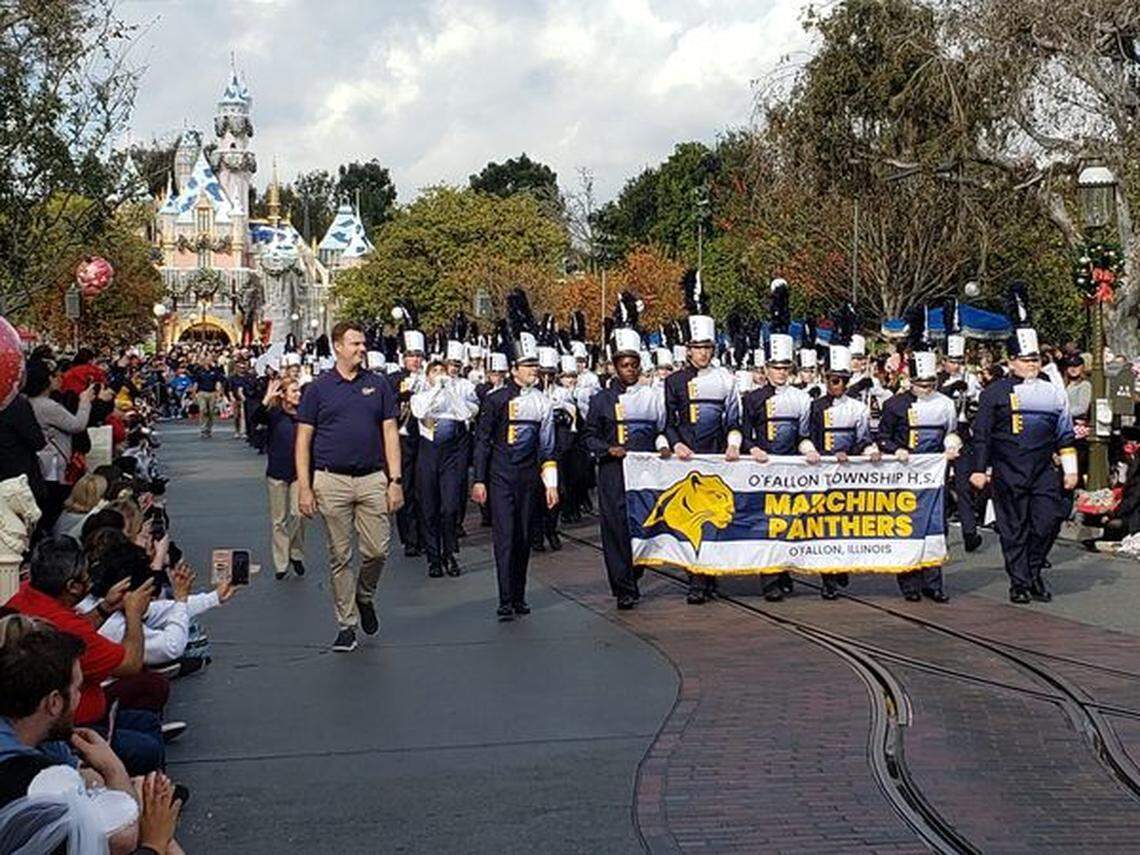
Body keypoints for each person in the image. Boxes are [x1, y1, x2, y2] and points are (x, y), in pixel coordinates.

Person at [5, 536, 164, 774]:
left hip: (75, 709)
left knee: (147, 721)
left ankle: (153, 787)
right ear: (72, 586)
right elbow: (131, 663)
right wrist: (133, 613)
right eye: (86, 576)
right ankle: (141, 792)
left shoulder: (28, 593)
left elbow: (75, 631)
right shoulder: (63, 626)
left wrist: (104, 609)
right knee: (146, 747)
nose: (91, 581)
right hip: (71, 724)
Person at [295, 322, 404, 652]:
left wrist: (395, 480)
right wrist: (304, 487)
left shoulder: (378, 385)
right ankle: (346, 624)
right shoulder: (318, 389)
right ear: (337, 347)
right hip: (331, 479)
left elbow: (389, 432)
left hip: (372, 478)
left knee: (378, 550)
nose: (361, 348)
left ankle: (364, 595)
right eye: (355, 343)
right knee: (340, 555)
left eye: (363, 343)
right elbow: (303, 440)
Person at [970, 283, 1078, 604]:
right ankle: (1020, 581)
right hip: (1008, 469)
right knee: (1013, 528)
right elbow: (982, 434)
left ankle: (1032, 570)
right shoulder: (995, 393)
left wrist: (1070, 469)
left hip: (1044, 468)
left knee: (1047, 521)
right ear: (1012, 361)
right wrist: (979, 469)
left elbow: (1065, 432)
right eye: (1025, 360)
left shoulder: (1053, 391)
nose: (1031, 365)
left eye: (1035, 360)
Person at [0, 615, 143, 853]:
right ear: (54, 702)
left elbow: (84, 778)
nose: (79, 698)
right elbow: (123, 837)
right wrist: (113, 769)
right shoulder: (28, 775)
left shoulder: (36, 738)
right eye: (78, 689)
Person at [471, 290, 559, 621]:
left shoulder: (542, 402)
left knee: (523, 537)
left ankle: (520, 595)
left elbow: (548, 448)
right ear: (514, 369)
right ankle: (505, 598)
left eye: (535, 364)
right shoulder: (495, 400)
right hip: (500, 476)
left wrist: (551, 484)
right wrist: (479, 479)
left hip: (528, 478)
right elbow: (482, 440)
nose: (534, 370)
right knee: (505, 538)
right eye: (528, 365)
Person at [583, 305, 669, 610]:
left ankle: (635, 570)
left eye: (634, 365)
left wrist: (662, 446)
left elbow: (662, 429)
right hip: (614, 473)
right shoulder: (600, 400)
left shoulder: (652, 397)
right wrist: (608, 449)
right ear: (614, 366)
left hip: (646, 473)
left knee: (645, 524)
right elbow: (589, 437)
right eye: (624, 365)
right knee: (616, 528)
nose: (629, 370)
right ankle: (623, 588)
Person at [663, 273, 742, 604]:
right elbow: (667, 422)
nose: (703, 353)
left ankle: (709, 575)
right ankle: (696, 579)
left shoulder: (726, 379)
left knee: (715, 520)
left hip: (717, 456)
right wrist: (676, 443)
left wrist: (734, 443)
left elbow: (736, 420)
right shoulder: (674, 381)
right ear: (688, 349)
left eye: (707, 347)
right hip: (687, 458)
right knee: (691, 521)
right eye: (697, 347)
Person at [739, 279, 817, 602]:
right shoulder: (753, 399)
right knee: (766, 525)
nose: (781, 372)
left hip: (791, 469)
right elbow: (743, 433)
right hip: (763, 468)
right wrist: (752, 448)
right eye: (776, 367)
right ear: (766, 367)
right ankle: (769, 581)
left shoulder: (802, 399)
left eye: (786, 367)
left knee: (790, 524)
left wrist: (809, 450)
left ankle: (784, 573)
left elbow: (803, 435)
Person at [875, 312, 958, 603]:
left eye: (931, 383)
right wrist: (894, 449)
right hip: (905, 474)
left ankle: (934, 582)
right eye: (922, 384)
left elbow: (954, 432)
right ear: (911, 381)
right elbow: (882, 436)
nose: (927, 388)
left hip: (935, 476)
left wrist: (952, 444)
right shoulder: (895, 405)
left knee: (937, 527)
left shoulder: (946, 404)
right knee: (907, 525)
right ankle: (909, 583)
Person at [807, 313, 881, 599]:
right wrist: (818, 453)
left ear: (847, 381)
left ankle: (840, 569)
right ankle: (828, 579)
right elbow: (808, 438)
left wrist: (870, 451)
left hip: (849, 472)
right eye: (830, 379)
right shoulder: (814, 407)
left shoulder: (858, 409)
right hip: (822, 472)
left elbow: (863, 438)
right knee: (824, 525)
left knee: (845, 524)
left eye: (839, 380)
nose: (834, 384)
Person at [410, 356, 479, 578]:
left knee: (449, 508)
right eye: (434, 371)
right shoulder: (420, 397)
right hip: (428, 456)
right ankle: (434, 558)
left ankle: (449, 553)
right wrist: (435, 389)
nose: (439, 374)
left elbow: (465, 414)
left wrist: (448, 390)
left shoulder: (457, 398)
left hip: (451, 457)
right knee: (429, 508)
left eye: (442, 371)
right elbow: (420, 412)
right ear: (427, 376)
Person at [254, 377, 306, 580]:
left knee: (299, 515)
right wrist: (267, 398)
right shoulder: (274, 414)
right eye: (294, 391)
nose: (298, 394)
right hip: (277, 471)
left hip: (299, 473)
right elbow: (256, 418)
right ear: (283, 395)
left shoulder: (304, 415)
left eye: (299, 391)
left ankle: (295, 552)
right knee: (279, 520)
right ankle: (281, 562)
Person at [389, 303, 427, 559]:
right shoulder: (393, 379)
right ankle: (410, 538)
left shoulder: (431, 378)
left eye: (418, 355)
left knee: (426, 490)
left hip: (426, 439)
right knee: (408, 488)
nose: (415, 359)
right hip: (403, 441)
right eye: (411, 355)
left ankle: (426, 534)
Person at [189, 355, 224, 438]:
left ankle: (209, 428)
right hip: (202, 392)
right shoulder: (199, 371)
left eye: (210, 360)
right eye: (207, 360)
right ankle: (202, 428)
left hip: (212, 392)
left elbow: (218, 382)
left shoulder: (215, 371)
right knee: (203, 410)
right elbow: (196, 383)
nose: (208, 362)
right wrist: (194, 394)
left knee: (211, 412)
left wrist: (219, 394)